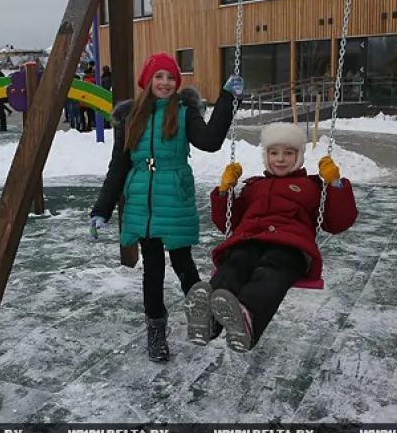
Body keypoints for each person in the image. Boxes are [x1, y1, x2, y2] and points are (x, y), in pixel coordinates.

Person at [89, 52, 244, 363]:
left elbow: (210, 141)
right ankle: (156, 329)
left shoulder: (184, 113)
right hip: (142, 203)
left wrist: (228, 99)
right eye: (158, 77)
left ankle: (204, 316)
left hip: (173, 198)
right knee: (153, 270)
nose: (165, 82)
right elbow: (118, 167)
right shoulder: (130, 117)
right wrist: (101, 210)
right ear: (147, 81)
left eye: (171, 77)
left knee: (184, 263)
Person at [184, 122, 358, 352]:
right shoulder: (254, 186)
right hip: (251, 240)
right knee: (236, 262)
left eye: (288, 153)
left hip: (291, 246)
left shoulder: (311, 186)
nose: (280, 159)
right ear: (266, 156)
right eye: (273, 153)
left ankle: (248, 318)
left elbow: (338, 222)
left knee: (272, 269)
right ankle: (208, 319)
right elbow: (228, 222)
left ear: (299, 156)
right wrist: (225, 191)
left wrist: (335, 184)